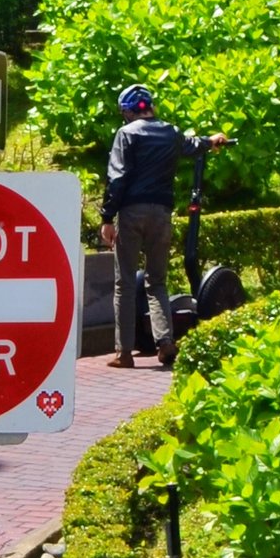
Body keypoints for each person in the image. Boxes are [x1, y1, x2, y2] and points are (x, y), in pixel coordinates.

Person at [100, 86, 233, 370]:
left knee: (124, 282)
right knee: (156, 281)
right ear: (150, 107)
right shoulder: (170, 132)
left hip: (131, 212)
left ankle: (124, 353)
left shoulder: (127, 134)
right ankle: (165, 343)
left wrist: (107, 218)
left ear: (127, 111)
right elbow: (193, 145)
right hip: (162, 213)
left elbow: (117, 177)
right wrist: (211, 141)